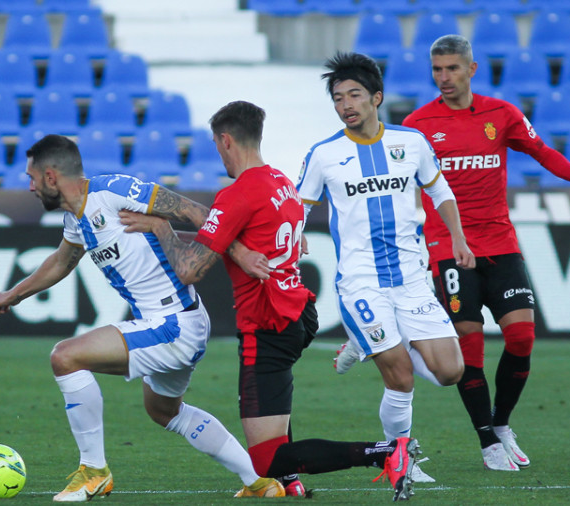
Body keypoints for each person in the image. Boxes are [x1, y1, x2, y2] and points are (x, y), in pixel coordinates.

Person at [119, 100, 422, 501]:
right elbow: (238, 238)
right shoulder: (281, 183)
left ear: (225, 141)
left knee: (265, 460)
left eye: (215, 145)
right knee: (273, 412)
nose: (218, 153)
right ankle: (291, 483)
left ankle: (384, 452)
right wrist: (238, 250)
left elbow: (191, 270)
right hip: (297, 312)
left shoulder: (237, 194)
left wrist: (161, 227)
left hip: (267, 325)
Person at [0, 134, 287, 501]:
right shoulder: (76, 218)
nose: (29, 186)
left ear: (51, 177)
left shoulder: (113, 191)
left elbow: (197, 212)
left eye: (31, 178)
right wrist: (11, 296)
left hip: (174, 322)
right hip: (171, 320)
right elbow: (62, 261)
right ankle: (260, 482)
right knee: (163, 411)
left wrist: (240, 253)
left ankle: (94, 471)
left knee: (65, 357)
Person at [400, 34, 570, 471]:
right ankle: (486, 443)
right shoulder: (419, 125)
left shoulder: (502, 114)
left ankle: (501, 424)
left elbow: (537, 148)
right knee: (470, 346)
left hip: (499, 240)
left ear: (472, 69)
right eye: (437, 70)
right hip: (448, 247)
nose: (444, 78)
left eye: (452, 69)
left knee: (521, 336)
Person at [296, 51, 473, 482]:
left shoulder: (410, 143)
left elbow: (441, 192)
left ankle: (364, 341)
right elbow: (297, 205)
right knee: (400, 377)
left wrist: (457, 237)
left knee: (451, 371)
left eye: (354, 95)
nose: (346, 105)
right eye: (338, 98)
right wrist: (295, 232)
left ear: (376, 97)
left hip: (411, 276)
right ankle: (402, 459)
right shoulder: (324, 154)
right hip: (361, 280)